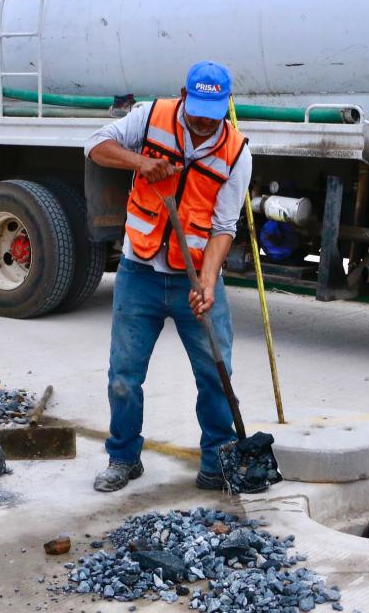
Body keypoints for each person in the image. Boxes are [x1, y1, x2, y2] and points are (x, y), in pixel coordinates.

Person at [84, 61, 253, 493]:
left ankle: (217, 462)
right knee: (124, 376)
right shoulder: (151, 116)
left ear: (226, 105)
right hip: (138, 272)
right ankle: (124, 458)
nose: (204, 123)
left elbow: (223, 227)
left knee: (216, 376)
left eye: (213, 114)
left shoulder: (236, 152)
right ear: (183, 95)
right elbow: (95, 146)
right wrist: (140, 162)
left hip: (191, 279)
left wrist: (208, 282)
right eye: (197, 112)